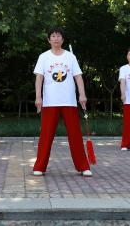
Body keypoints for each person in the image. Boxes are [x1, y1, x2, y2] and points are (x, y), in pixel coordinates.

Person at [32, 27, 92, 177]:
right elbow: (39, 78)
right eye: (53, 36)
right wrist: (38, 97)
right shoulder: (44, 57)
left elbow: (78, 76)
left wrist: (82, 95)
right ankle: (39, 166)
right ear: (49, 39)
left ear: (62, 39)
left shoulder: (70, 57)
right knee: (46, 135)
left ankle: (83, 166)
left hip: (69, 101)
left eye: (58, 36)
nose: (56, 38)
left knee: (75, 135)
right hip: (50, 102)